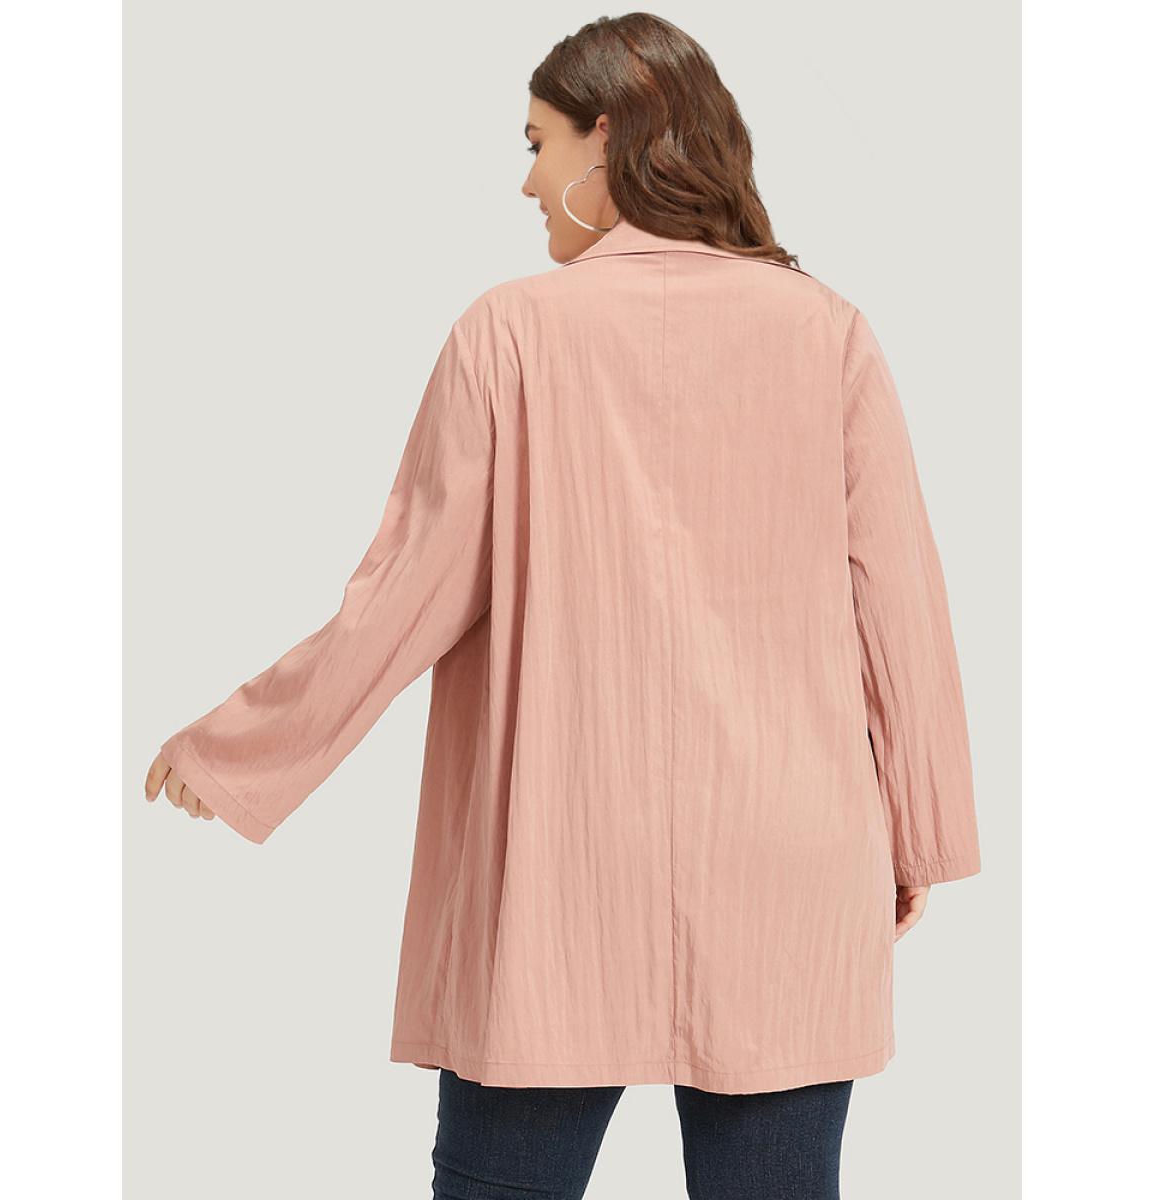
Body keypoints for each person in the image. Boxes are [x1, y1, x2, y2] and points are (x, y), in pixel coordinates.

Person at [144, 13, 981, 1199]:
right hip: (787, 862)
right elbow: (902, 605)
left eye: (537, 143)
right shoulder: (827, 333)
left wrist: (237, 750)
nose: (527, 179)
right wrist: (917, 830)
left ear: (608, 136)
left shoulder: (512, 334)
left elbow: (401, 599)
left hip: (558, 861)